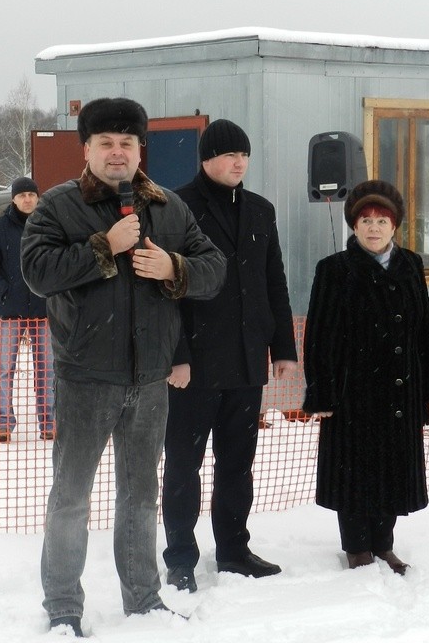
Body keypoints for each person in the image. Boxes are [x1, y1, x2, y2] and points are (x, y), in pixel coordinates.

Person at [21, 97, 226, 637]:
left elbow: (213, 269)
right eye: (106, 143)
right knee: (70, 497)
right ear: (86, 149)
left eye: (127, 143)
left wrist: (172, 265)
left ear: (141, 150)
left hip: (149, 380)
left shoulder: (168, 208)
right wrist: (101, 248)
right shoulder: (59, 206)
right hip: (86, 377)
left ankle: (143, 597)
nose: (117, 152)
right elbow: (37, 272)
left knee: (139, 497)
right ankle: (63, 605)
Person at [161, 119, 299, 593]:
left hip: (244, 362)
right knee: (183, 465)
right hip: (194, 365)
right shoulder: (177, 207)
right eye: (229, 155)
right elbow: (165, 289)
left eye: (244, 154)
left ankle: (235, 551)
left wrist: (282, 347)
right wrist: (175, 356)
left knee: (237, 465)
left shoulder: (260, 210)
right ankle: (180, 557)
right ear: (207, 159)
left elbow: (272, 283)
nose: (239, 162)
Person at [302, 179, 429, 575]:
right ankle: (357, 546)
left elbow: (424, 330)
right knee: (354, 471)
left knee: (394, 470)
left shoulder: (411, 264)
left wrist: (428, 386)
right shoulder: (334, 270)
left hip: (401, 390)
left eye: (382, 220)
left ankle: (384, 544)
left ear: (394, 225)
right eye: (366, 220)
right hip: (353, 393)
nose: (374, 228)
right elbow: (319, 335)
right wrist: (323, 392)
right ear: (354, 225)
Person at [0, 175, 54, 443]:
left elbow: (58, 263)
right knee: (5, 369)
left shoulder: (49, 227)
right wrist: (5, 291)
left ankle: (49, 422)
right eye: (22, 195)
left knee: (47, 369)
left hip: (44, 311)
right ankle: (3, 423)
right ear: (13, 199)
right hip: (10, 311)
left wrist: (53, 292)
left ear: (38, 197)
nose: (27, 199)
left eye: (32, 194)